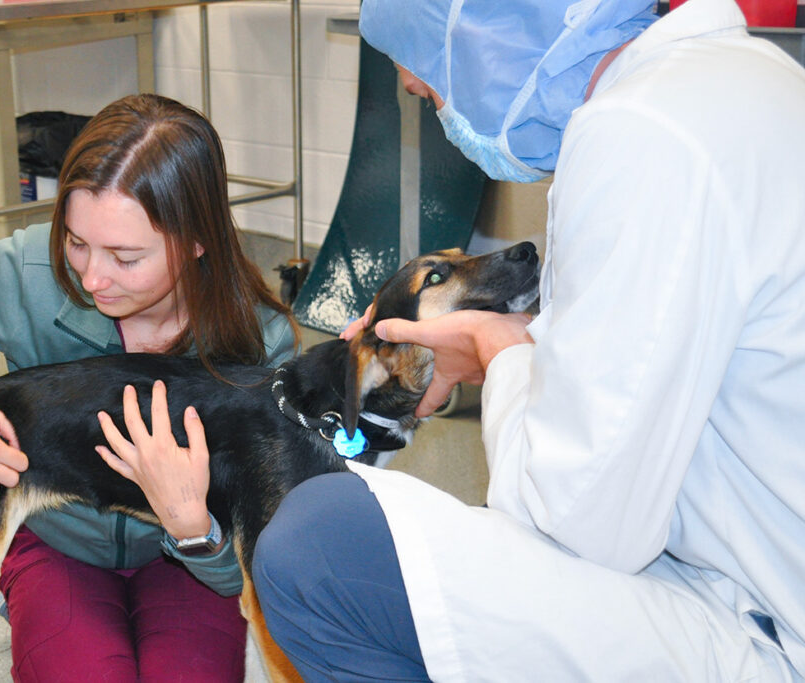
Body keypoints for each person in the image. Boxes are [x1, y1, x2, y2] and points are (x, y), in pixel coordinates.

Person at [248, 0, 805, 680]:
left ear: (488, 29)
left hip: (760, 620)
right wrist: (521, 336)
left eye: (427, 81)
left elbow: (573, 519)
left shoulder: (638, 134)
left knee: (317, 546)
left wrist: (497, 348)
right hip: (746, 561)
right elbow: (663, 346)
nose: (425, 99)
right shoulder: (739, 79)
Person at [0, 93, 298, 682]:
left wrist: (196, 531)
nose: (90, 277)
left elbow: (260, 569)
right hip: (53, 545)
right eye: (77, 241)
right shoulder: (26, 270)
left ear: (195, 241)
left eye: (125, 257)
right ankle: (15, 590)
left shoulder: (260, 343)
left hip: (187, 558)